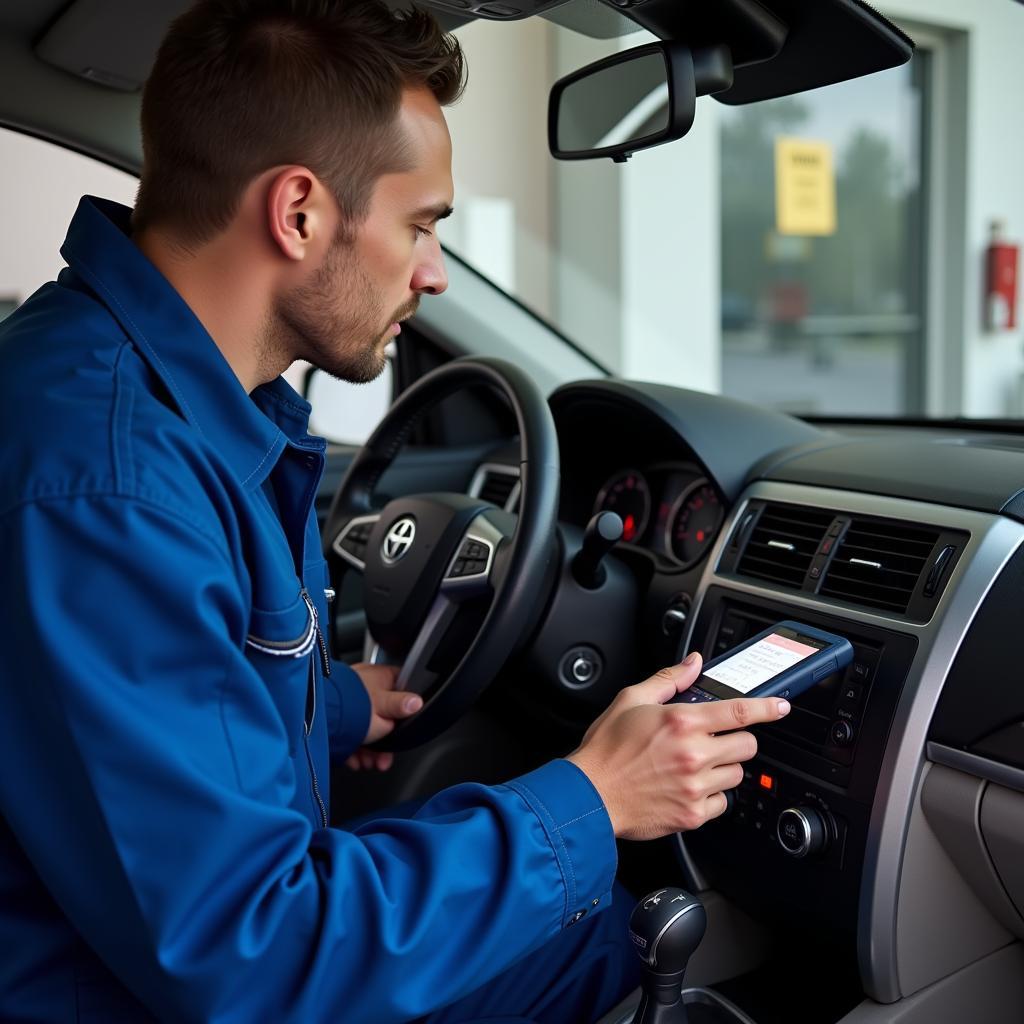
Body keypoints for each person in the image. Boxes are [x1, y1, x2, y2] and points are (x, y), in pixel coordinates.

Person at [0, 1, 790, 1021]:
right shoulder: (109, 485)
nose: (434, 273)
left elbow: (147, 704)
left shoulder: (127, 396)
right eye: (419, 225)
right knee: (604, 951)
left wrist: (330, 706)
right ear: (298, 213)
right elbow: (254, 950)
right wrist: (596, 799)